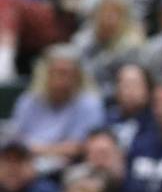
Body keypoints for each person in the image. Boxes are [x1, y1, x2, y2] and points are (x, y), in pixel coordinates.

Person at [7, 45, 105, 176]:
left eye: (68, 73)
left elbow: (79, 147)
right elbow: (15, 139)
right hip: (24, 165)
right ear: (46, 73)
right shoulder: (29, 101)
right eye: (58, 72)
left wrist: (33, 149)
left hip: (68, 170)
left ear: (78, 75)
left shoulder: (89, 104)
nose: (63, 79)